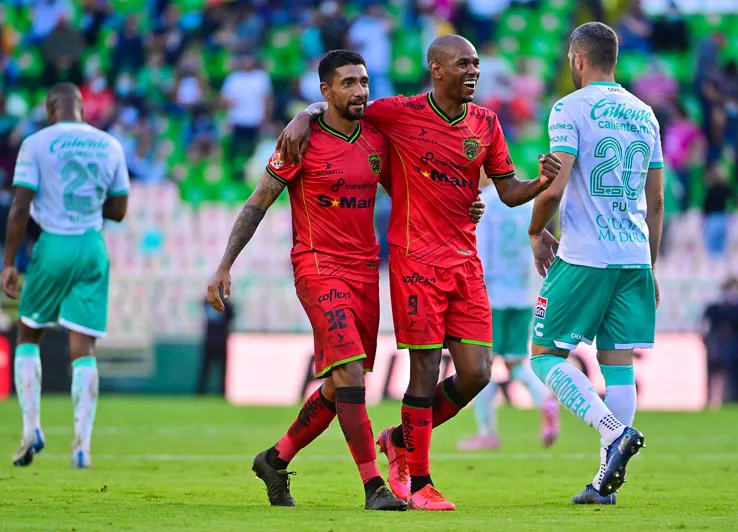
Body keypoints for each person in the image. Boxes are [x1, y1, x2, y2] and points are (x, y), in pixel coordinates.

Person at [278, 35, 562, 510]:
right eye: (463, 64)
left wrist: (542, 182)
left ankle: (398, 440)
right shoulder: (398, 112)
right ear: (436, 69)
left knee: (476, 374)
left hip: (464, 261)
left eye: (476, 64)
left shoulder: (487, 123)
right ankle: (422, 483)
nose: (473, 72)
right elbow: (343, 105)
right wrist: (303, 114)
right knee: (425, 371)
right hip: (414, 260)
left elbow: (509, 191)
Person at [206, 50, 484, 512]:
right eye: (348, 83)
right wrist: (224, 264)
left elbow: (418, 191)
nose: (359, 91)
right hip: (317, 265)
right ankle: (374, 485)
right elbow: (259, 202)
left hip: (364, 269)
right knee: (351, 373)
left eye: (364, 82)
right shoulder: (301, 141)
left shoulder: (378, 139)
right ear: (326, 92)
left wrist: (464, 207)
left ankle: (275, 460)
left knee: (341, 386)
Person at [527, 22, 662, 505]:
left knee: (543, 356)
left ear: (577, 59)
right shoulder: (645, 114)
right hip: (633, 258)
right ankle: (605, 485)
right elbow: (658, 198)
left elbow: (556, 186)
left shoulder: (570, 108)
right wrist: (652, 266)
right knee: (618, 365)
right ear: (615, 59)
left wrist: (535, 231)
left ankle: (612, 432)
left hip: (585, 255)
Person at [3, 82, 130, 469]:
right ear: (81, 108)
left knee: (29, 333)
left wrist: (9, 261)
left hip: (54, 244)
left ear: (51, 109)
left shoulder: (37, 143)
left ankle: (30, 431)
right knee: (84, 347)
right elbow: (120, 210)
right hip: (92, 246)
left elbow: (20, 206)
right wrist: (87, 207)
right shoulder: (109, 144)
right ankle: (82, 447)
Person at [458, 175, 560, 451]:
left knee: (482, 366)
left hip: (492, 296)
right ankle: (545, 400)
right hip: (522, 294)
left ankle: (487, 432)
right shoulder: (526, 204)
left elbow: (482, 253)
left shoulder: (486, 203)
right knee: (516, 363)